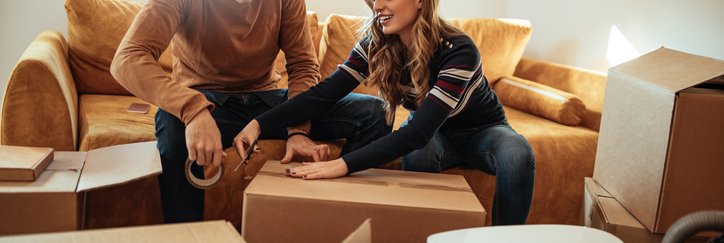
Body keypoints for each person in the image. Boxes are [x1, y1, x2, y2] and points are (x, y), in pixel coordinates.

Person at [233, 0, 535, 225]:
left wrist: (343, 164)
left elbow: (417, 131)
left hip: (483, 131)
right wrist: (259, 123)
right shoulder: (376, 43)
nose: (378, 5)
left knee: (517, 151)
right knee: (422, 152)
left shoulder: (459, 49)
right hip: (436, 134)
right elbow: (323, 95)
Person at [111, 0, 390, 223]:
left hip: (269, 103)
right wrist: (193, 110)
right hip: (209, 103)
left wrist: (297, 129)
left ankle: (340, 222)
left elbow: (303, 66)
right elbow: (127, 59)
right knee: (171, 123)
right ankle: (187, 234)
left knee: (374, 111)